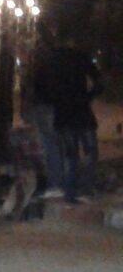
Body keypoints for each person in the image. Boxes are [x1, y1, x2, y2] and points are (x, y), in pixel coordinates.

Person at [49, 28, 103, 204]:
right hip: (81, 111)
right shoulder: (80, 57)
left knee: (70, 155)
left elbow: (45, 88)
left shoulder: (53, 60)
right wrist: (88, 96)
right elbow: (98, 81)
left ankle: (71, 193)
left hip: (63, 114)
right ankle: (85, 189)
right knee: (90, 151)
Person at [26, 23, 64, 197]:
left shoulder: (43, 55)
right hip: (48, 103)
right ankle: (53, 182)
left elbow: (38, 80)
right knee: (49, 144)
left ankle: (53, 184)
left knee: (48, 144)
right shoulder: (53, 54)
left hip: (44, 104)